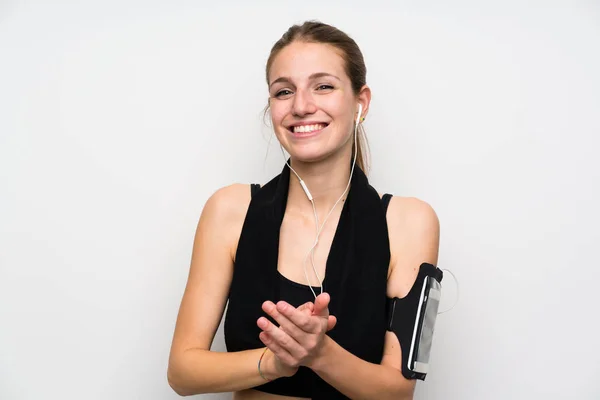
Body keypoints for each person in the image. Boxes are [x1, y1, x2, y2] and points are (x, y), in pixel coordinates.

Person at [167, 20, 440, 400]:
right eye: (283, 91)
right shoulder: (229, 210)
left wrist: (321, 354)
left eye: (323, 86)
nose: (301, 106)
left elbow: (398, 393)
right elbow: (182, 372)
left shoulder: (410, 222)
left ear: (361, 102)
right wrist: (275, 362)